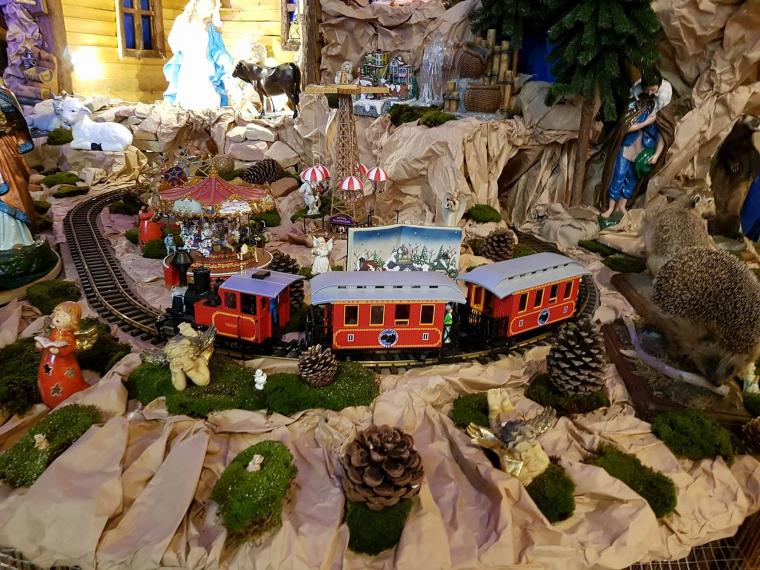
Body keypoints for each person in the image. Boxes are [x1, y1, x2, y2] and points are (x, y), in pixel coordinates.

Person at [598, 69, 674, 229]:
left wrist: (657, 154)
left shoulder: (663, 105)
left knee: (632, 178)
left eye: (654, 90)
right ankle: (610, 207)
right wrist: (645, 123)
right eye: (648, 89)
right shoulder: (635, 101)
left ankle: (622, 206)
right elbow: (624, 126)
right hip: (628, 145)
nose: (650, 93)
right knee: (618, 174)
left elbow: (664, 133)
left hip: (644, 150)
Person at [163, 0, 241, 110]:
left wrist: (224, 59)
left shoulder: (211, 26)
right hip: (189, 66)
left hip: (206, 68)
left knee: (209, 101)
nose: (209, 11)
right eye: (207, 7)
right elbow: (173, 41)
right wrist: (185, 48)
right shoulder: (182, 21)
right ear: (197, 4)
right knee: (188, 101)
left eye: (211, 9)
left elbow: (218, 48)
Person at [0, 81, 35, 251]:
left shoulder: (3, 93)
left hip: (3, 149)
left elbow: (14, 121)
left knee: (13, 189)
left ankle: (14, 239)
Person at [35, 301, 90, 408]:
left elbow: (71, 347)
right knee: (46, 380)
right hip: (48, 363)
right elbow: (48, 342)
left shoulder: (69, 336)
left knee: (62, 383)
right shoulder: (54, 331)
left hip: (63, 365)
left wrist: (60, 351)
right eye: (58, 314)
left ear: (74, 320)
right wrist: (40, 345)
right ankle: (48, 398)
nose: (59, 317)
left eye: (64, 316)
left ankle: (60, 400)